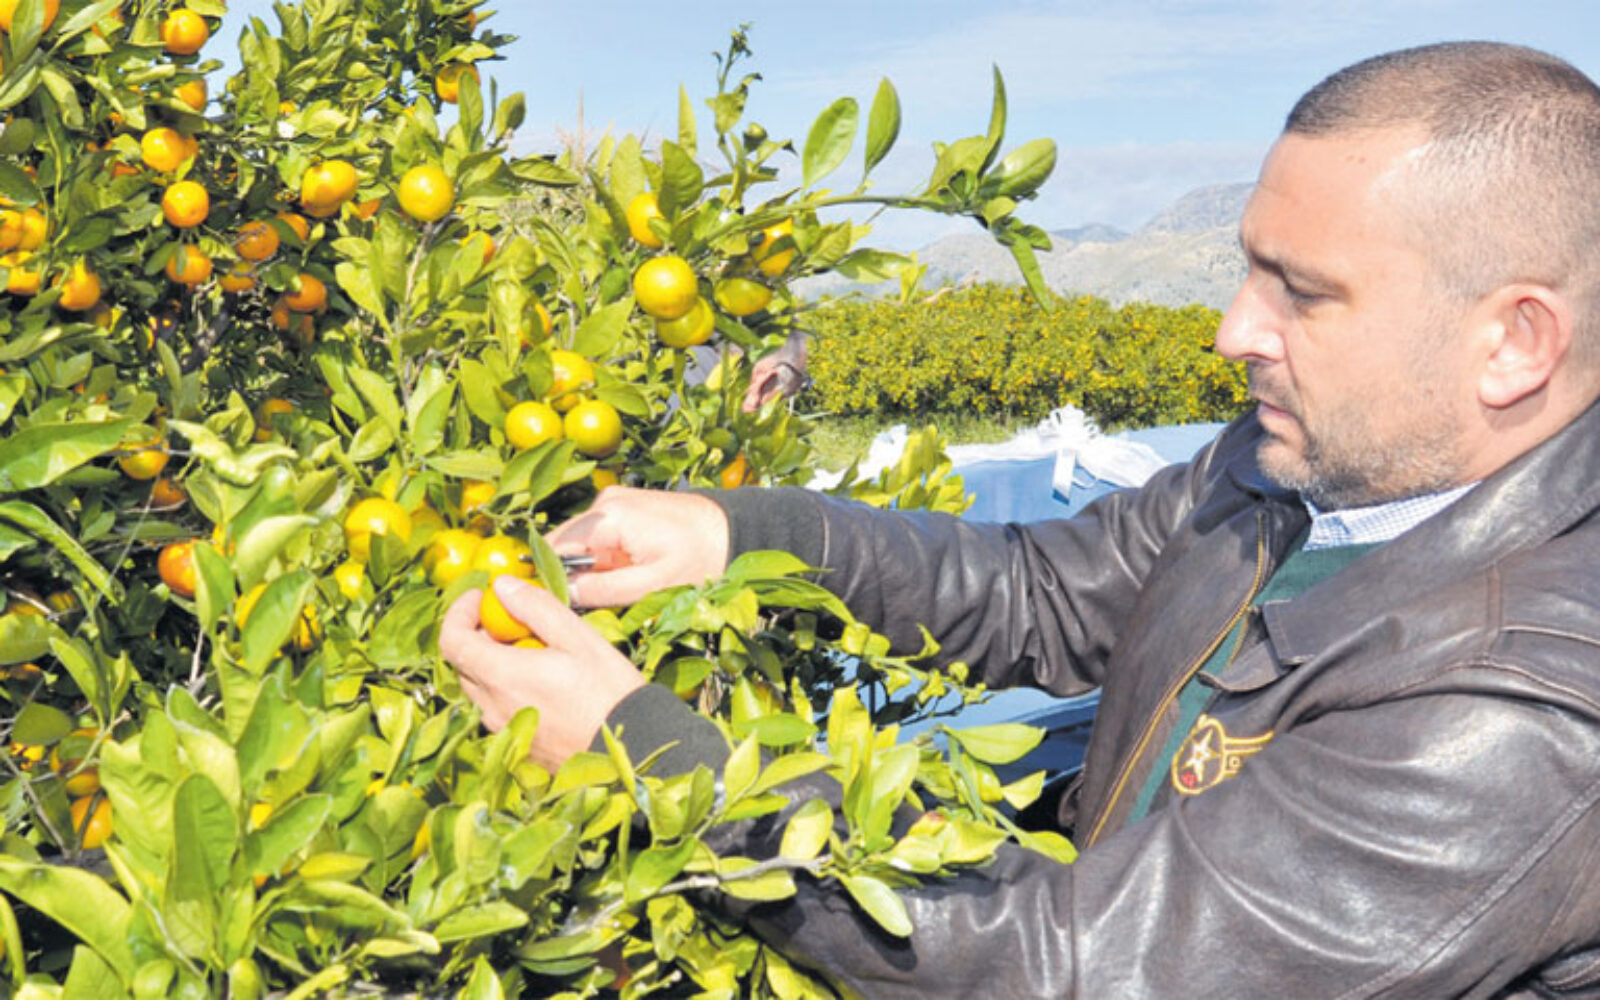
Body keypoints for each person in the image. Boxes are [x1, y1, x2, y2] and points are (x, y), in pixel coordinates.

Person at [441, 41, 1600, 997]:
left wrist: (655, 758)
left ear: (1513, 343)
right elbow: (1038, 593)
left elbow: (1080, 968)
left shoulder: (1527, 710)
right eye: (1251, 271)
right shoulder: (1289, 470)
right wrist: (745, 535)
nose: (1232, 332)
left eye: (1302, 292)